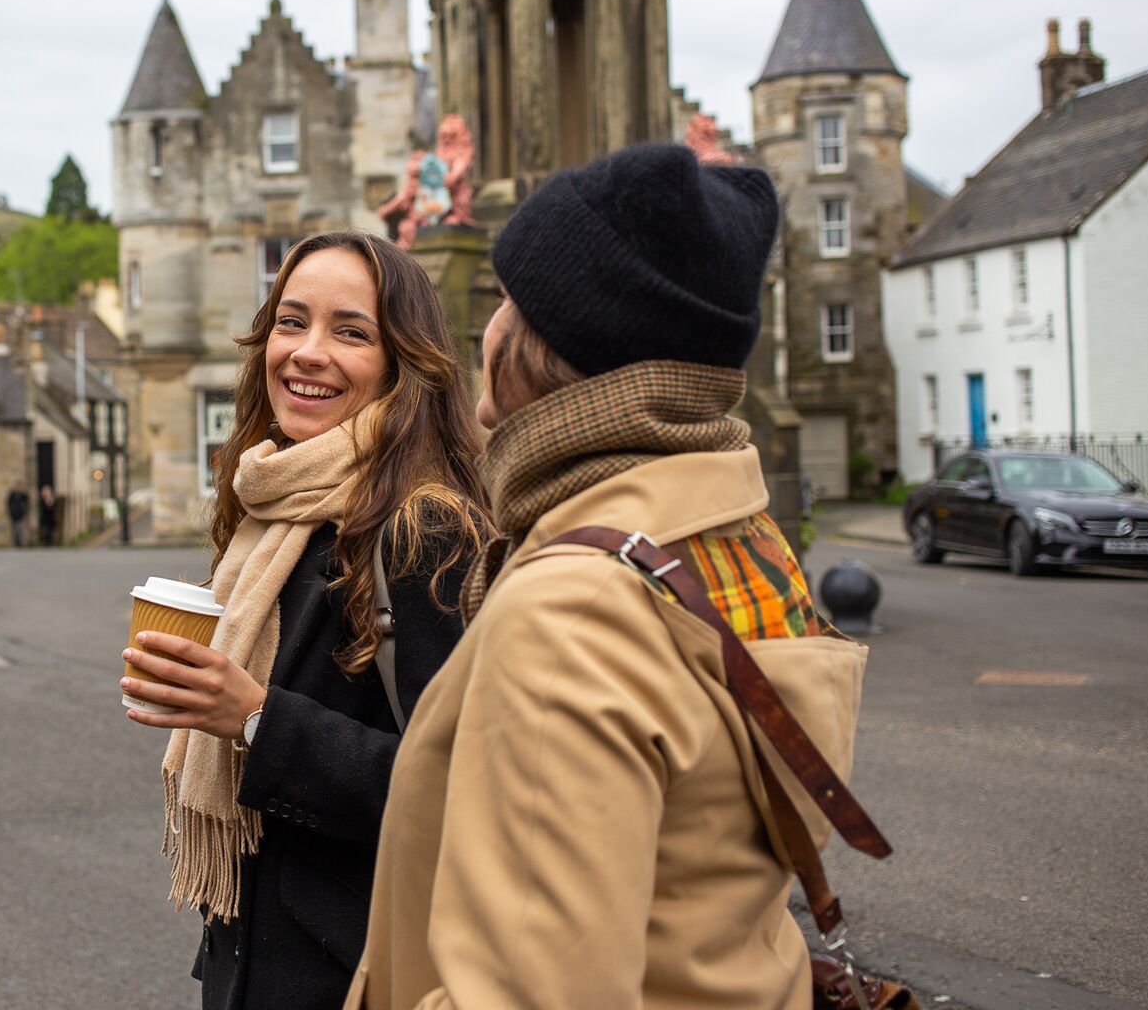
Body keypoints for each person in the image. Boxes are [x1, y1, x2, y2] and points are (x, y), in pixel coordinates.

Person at [346, 145, 868, 1010]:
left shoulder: (573, 615)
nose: (489, 321)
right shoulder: (738, 532)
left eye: (508, 297)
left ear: (534, 342)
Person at [122, 230, 491, 1010]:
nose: (307, 352)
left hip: (359, 971)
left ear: (404, 362)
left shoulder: (424, 528)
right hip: (253, 956)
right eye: (291, 322)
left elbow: (461, 786)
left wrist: (255, 719)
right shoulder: (267, 501)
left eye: (350, 331)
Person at [6, 483, 30, 547]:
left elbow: (27, 502)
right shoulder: (12, 495)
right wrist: (11, 511)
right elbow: (8, 503)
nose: (18, 488)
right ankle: (15, 543)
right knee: (14, 530)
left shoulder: (22, 495)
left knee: (20, 529)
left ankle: (21, 543)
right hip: (13, 515)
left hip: (21, 515)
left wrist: (25, 511)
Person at [37, 483, 57, 547]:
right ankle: (45, 542)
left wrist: (49, 502)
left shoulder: (52, 499)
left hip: (50, 518)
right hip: (44, 518)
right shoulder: (42, 500)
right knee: (45, 530)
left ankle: (50, 542)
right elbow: (42, 509)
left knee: (49, 530)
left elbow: (53, 509)